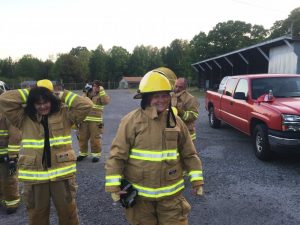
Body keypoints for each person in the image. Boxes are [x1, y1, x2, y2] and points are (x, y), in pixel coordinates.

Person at [105, 70, 204, 225]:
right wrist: (113, 185)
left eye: (164, 95)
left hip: (171, 198)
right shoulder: (131, 121)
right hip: (141, 200)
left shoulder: (176, 122)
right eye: (155, 96)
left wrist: (197, 181)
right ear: (146, 98)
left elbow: (189, 154)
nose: (161, 100)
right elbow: (117, 155)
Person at [0, 79, 93, 225]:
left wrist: (61, 94)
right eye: (38, 102)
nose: (42, 106)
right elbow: (4, 99)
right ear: (32, 103)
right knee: (37, 218)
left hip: (62, 176)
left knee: (69, 215)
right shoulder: (22, 117)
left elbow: (86, 105)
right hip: (35, 178)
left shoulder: (65, 114)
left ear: (52, 99)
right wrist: (32, 93)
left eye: (46, 101)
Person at [77, 80, 110, 162]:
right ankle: (82, 153)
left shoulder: (102, 95)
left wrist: (102, 91)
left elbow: (105, 102)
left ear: (100, 87)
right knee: (82, 138)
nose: (95, 88)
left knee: (95, 139)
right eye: (94, 86)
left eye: (97, 86)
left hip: (96, 122)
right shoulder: (87, 93)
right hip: (84, 120)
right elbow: (80, 102)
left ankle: (96, 155)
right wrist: (85, 92)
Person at [0, 89, 21, 215]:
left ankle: (12, 202)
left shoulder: (8, 113)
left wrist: (12, 156)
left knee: (9, 179)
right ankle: (3, 199)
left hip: (6, 155)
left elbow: (15, 135)